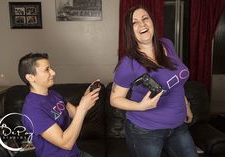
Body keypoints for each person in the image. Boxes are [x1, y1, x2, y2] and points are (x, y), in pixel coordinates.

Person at [110, 5, 198, 157]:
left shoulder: (167, 44)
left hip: (178, 126)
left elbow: (176, 82)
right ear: (129, 30)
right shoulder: (128, 64)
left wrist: (186, 105)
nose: (142, 24)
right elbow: (115, 99)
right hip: (145, 130)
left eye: (145, 18)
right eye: (134, 22)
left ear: (152, 22)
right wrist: (140, 106)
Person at [18, 53, 100, 157]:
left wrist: (86, 98)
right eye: (47, 69)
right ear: (30, 77)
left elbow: (75, 113)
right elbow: (65, 143)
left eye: (51, 68)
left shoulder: (53, 94)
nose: (53, 72)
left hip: (75, 153)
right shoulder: (32, 110)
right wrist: (82, 109)